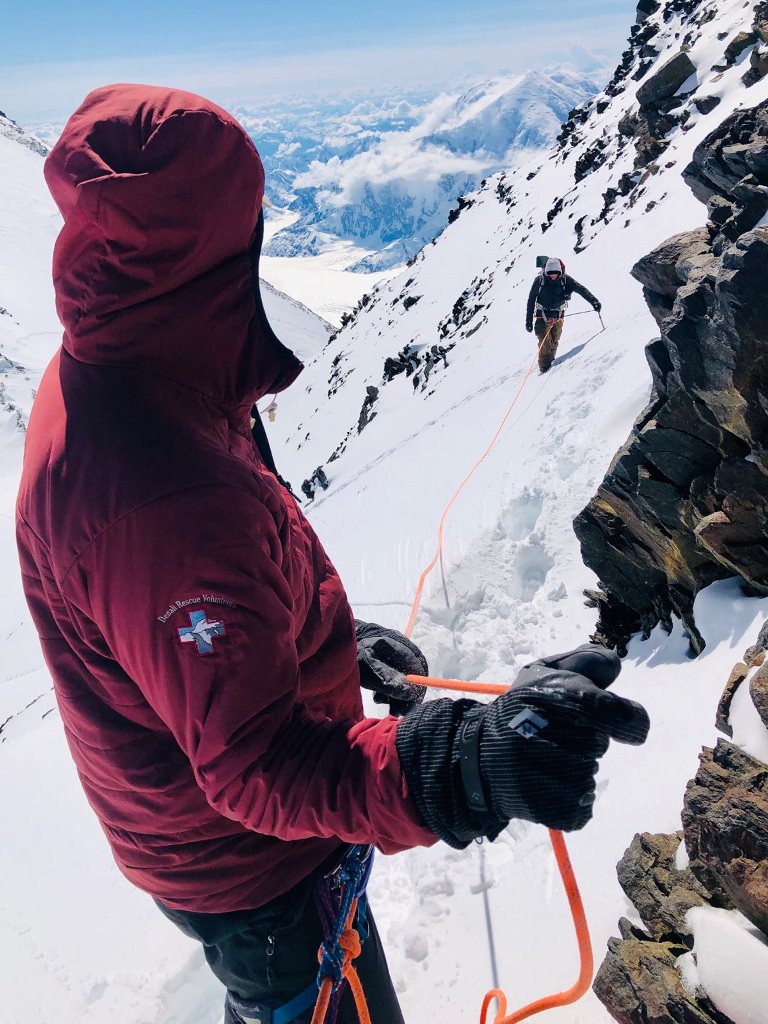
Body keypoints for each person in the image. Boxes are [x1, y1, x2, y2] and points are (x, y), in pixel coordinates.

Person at [16, 85, 649, 1024]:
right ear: (207, 246)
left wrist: (327, 649)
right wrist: (459, 764)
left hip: (204, 840)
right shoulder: (165, 490)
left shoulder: (126, 363)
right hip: (247, 868)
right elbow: (253, 765)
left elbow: (190, 626)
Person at [525, 257, 602, 373]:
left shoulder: (565, 279)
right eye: (550, 274)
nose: (553, 276)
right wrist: (529, 321)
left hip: (559, 315)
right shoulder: (539, 280)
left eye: (555, 273)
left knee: (554, 342)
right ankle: (545, 370)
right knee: (545, 344)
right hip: (542, 316)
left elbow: (580, 289)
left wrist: (594, 301)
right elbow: (531, 300)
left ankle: (551, 367)